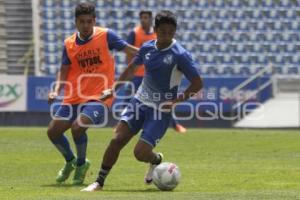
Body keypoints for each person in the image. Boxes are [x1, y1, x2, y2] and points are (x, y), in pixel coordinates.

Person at [81, 10, 203, 191]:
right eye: (163, 32)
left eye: (171, 33)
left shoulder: (180, 55)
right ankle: (99, 181)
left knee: (139, 153)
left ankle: (156, 159)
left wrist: (176, 101)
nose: (167, 36)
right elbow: (131, 70)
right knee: (116, 140)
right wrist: (112, 90)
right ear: (156, 30)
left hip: (161, 110)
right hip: (138, 102)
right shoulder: (147, 47)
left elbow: (197, 83)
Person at [47, 2, 137, 185]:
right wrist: (56, 90)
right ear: (75, 22)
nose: (86, 25)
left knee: (78, 127)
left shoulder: (106, 35)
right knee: (53, 132)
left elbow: (130, 50)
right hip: (74, 96)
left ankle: (81, 164)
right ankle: (71, 161)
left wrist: (152, 52)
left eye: (89, 21)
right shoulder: (69, 43)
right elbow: (63, 70)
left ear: (94, 20)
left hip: (99, 96)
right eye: (82, 22)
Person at [124, 10, 187, 133]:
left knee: (163, 101)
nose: (144, 20)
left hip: (153, 75)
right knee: (129, 98)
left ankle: (175, 125)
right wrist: (131, 67)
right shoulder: (134, 33)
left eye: (146, 17)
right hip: (137, 74)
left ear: (150, 19)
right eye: (142, 17)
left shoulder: (157, 35)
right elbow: (128, 52)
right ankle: (122, 122)